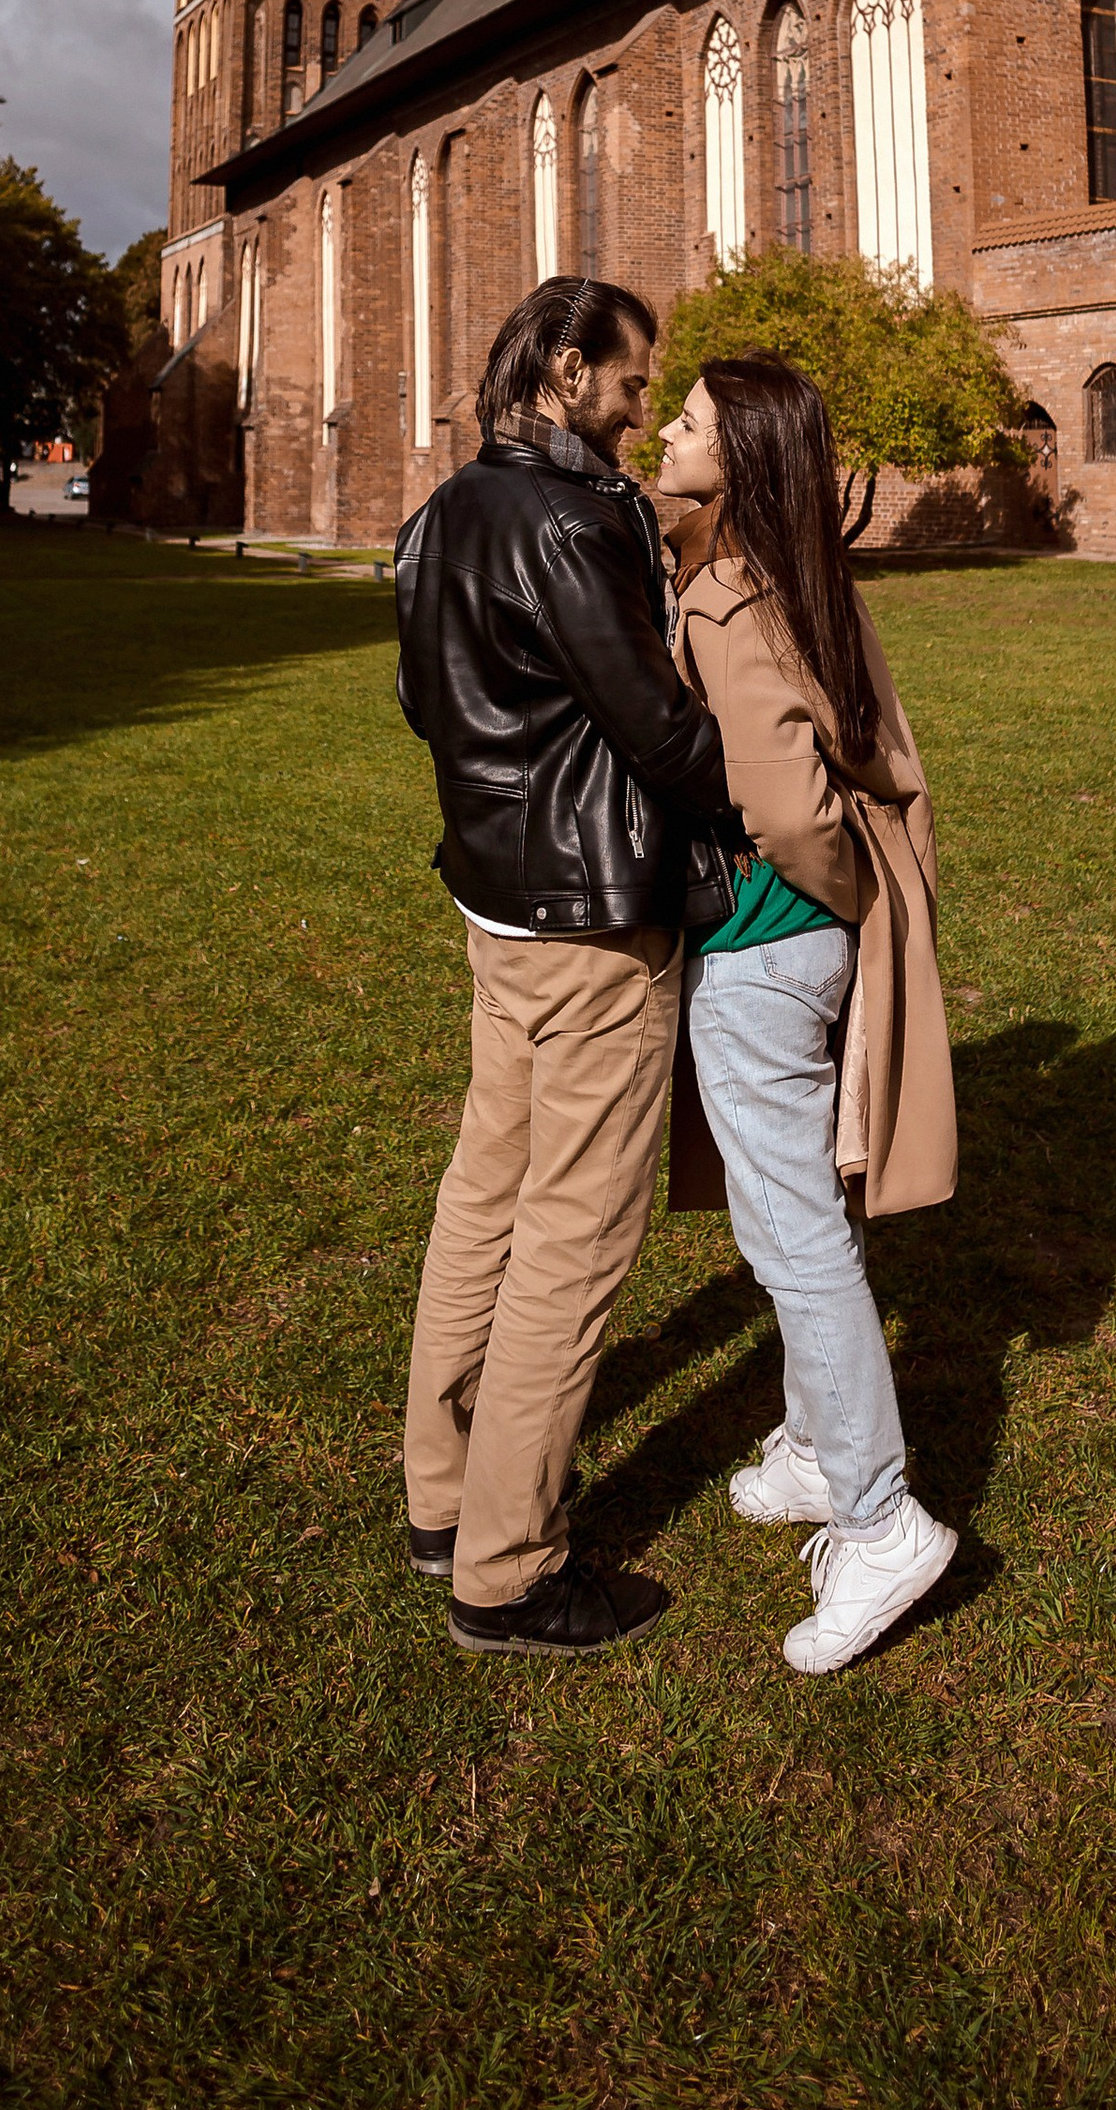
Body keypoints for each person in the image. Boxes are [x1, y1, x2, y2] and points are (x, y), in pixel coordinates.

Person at [396, 275, 740, 1661]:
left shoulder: (444, 511)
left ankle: (439, 1495)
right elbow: (662, 733)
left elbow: (425, 700)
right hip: (593, 927)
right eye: (633, 380)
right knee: (572, 1242)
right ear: (561, 370)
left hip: (495, 907)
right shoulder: (564, 518)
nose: (644, 404)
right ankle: (507, 1566)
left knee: (485, 1192)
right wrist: (774, 773)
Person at [657, 353, 958, 1674]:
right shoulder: (795, 574)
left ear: (739, 461)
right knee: (792, 1218)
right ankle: (815, 1447)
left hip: (763, 956)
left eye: (687, 421)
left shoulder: (727, 592)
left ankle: (885, 1519)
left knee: (794, 1242)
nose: (663, 430)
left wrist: (823, 899)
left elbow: (787, 808)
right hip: (804, 951)